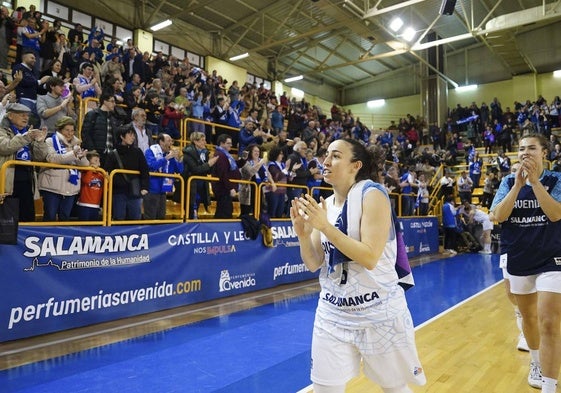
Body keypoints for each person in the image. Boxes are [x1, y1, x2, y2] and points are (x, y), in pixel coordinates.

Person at [289, 138, 425, 393]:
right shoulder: (324, 205)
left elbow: (370, 257)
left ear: (356, 166)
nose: (326, 161)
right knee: (324, 387)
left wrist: (325, 228)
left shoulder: (372, 194)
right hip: (333, 314)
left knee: (394, 388)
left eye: (336, 156)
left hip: (379, 312)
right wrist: (304, 236)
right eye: (326, 155)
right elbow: (314, 263)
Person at [490, 133, 561, 392]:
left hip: (552, 257)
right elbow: (498, 215)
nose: (525, 153)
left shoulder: (557, 179)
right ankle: (536, 362)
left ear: (544, 153)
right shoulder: (508, 182)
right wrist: (519, 186)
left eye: (531, 148)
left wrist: (535, 183)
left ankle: (550, 387)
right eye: (521, 149)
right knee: (529, 318)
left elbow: (555, 214)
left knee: (549, 321)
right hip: (520, 257)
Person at [0, 103, 48, 222]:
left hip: (27, 181)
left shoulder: (29, 133)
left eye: (27, 115)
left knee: (27, 219)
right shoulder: (2, 131)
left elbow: (39, 157)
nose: (26, 118)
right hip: (8, 184)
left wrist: (40, 143)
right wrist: (26, 137)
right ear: (10, 116)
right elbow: (5, 147)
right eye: (22, 115)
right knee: (8, 223)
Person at [38, 116, 88, 221]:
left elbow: (85, 165)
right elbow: (53, 159)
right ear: (60, 130)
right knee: (50, 216)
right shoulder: (50, 141)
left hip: (70, 188)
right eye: (67, 130)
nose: (70, 133)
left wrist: (81, 157)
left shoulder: (76, 144)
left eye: (72, 131)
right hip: (51, 186)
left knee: (65, 217)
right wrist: (73, 154)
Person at [103, 127, 150, 220]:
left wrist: (144, 187)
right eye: (130, 134)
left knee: (135, 218)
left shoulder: (137, 152)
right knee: (119, 218)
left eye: (133, 135)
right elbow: (107, 172)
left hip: (135, 192)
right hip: (118, 192)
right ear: (122, 136)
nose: (133, 137)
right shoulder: (113, 154)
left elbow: (145, 170)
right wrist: (118, 182)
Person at [143, 133, 183, 220]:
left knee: (161, 217)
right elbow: (151, 165)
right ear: (161, 142)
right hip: (152, 189)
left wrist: (178, 159)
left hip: (164, 190)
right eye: (169, 141)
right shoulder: (150, 151)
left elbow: (179, 170)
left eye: (171, 141)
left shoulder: (169, 154)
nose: (171, 143)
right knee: (150, 218)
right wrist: (165, 159)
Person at [81, 93, 119, 166]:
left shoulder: (113, 118)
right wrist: (93, 150)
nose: (114, 104)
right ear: (105, 101)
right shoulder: (92, 114)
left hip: (110, 155)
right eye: (112, 101)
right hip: (96, 154)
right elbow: (85, 134)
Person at [211, 133, 244, 219]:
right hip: (223, 188)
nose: (231, 145)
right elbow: (223, 173)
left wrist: (243, 159)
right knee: (224, 212)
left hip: (225, 188)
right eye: (228, 143)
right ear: (222, 143)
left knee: (224, 210)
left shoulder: (226, 155)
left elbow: (235, 166)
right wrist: (230, 187)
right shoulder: (220, 155)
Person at [239, 143, 275, 216]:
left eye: (258, 151)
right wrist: (260, 163)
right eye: (255, 151)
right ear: (250, 152)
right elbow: (251, 172)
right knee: (247, 210)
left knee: (259, 209)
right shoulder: (246, 161)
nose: (257, 153)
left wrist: (272, 182)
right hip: (248, 188)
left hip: (259, 187)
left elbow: (267, 173)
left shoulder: (261, 161)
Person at [76, 150, 104, 221]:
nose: (98, 164)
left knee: (93, 228)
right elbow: (87, 181)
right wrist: (90, 169)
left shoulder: (101, 175)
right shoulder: (85, 172)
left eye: (99, 161)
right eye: (96, 161)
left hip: (96, 206)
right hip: (84, 205)